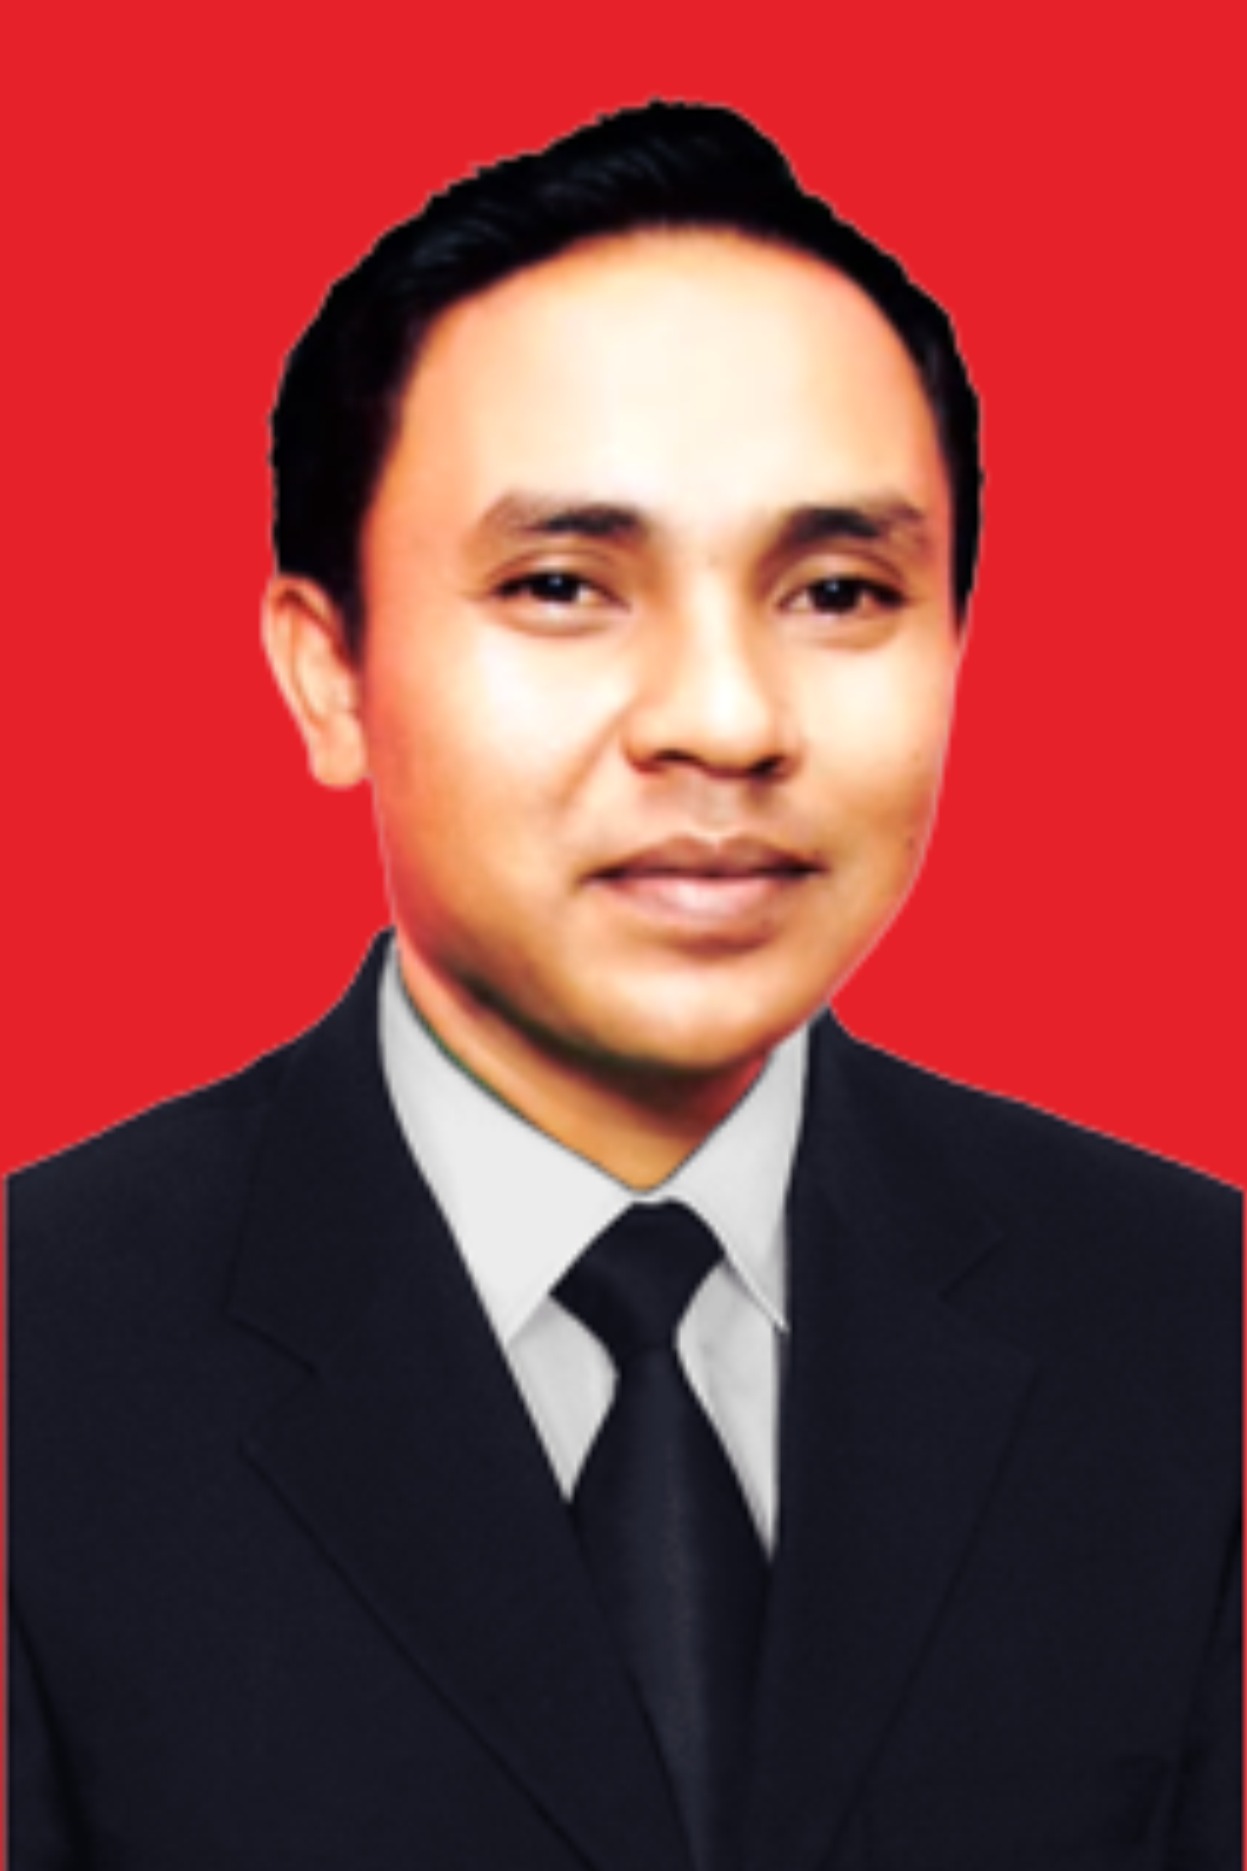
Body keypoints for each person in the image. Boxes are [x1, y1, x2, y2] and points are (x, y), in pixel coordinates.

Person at [9, 103, 1239, 1871]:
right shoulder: (38, 1362)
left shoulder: (1197, 1328)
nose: (726, 720)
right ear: (330, 671)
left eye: (838, 590)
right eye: (565, 584)